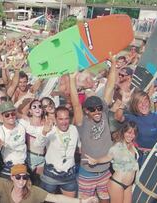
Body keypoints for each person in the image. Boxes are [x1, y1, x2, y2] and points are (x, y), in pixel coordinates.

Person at [69, 55, 117, 203]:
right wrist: (72, 79)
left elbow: (110, 86)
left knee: (105, 200)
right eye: (92, 109)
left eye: (98, 108)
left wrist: (114, 63)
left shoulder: (103, 112)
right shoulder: (82, 121)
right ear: (86, 111)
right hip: (87, 173)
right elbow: (76, 104)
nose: (96, 111)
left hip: (106, 169)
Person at [0, 156, 97, 203]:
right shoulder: (4, 184)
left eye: (24, 176)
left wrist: (82, 201)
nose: (21, 180)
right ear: (12, 177)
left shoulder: (33, 191)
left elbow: (56, 198)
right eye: (18, 177)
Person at [86, 121, 139, 203]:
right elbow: (108, 157)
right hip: (117, 184)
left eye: (133, 133)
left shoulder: (134, 146)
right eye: (128, 133)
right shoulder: (118, 146)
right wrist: (96, 161)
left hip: (129, 185)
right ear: (123, 132)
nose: (131, 136)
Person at [115, 90, 157, 165]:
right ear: (134, 105)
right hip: (138, 156)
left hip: (156, 157)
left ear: (149, 102)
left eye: (145, 101)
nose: (143, 105)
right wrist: (123, 103)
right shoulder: (132, 118)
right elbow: (118, 118)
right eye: (140, 102)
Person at [36, 106, 79, 197]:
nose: (64, 122)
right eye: (61, 119)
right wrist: (44, 132)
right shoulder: (50, 130)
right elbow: (38, 145)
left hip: (69, 175)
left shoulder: (74, 129)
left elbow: (80, 146)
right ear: (55, 119)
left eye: (66, 118)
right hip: (51, 176)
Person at [0, 101, 27, 178]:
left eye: (13, 114)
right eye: (7, 115)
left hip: (23, 165)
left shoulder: (22, 124)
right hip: (9, 168)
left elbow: (34, 129)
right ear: (2, 116)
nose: (11, 116)